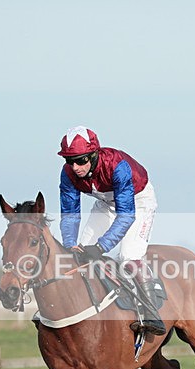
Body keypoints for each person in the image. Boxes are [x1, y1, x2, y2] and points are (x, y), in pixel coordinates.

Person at [57, 125, 166, 336]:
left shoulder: (118, 166)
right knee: (77, 255)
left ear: (94, 154)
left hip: (138, 201)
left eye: (81, 160)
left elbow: (126, 215)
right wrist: (70, 244)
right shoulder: (69, 174)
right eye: (69, 161)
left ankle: (153, 314)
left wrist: (101, 247)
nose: (75, 167)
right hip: (106, 203)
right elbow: (70, 214)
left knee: (128, 256)